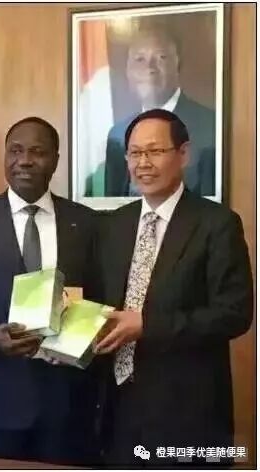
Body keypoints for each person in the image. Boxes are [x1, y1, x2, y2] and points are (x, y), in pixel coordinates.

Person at [93, 109, 252, 466]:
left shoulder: (217, 224)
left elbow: (234, 314)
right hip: (118, 406)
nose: (143, 163)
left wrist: (147, 325)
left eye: (155, 151)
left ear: (183, 154)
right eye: (135, 153)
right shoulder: (114, 224)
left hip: (187, 411)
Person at [0, 117, 101, 466]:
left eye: (37, 152)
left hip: (67, 400)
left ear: (55, 160)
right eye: (15, 151)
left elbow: (100, 297)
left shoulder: (87, 222)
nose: (24, 160)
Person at [81, 29, 215, 197]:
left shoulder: (210, 125)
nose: (149, 68)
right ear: (127, 70)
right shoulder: (117, 133)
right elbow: (113, 203)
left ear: (178, 65)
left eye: (161, 58)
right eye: (139, 59)